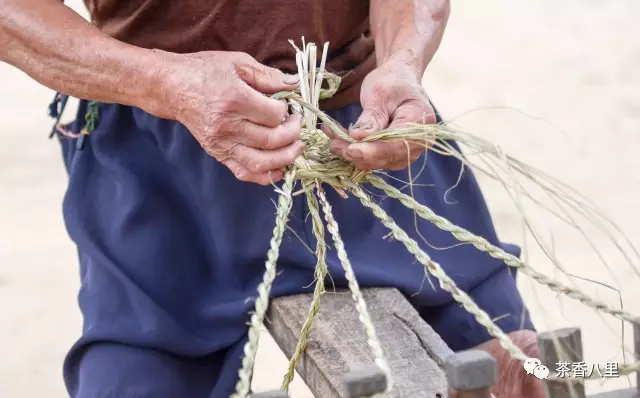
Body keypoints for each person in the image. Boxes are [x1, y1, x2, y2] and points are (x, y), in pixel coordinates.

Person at [0, 0, 545, 397]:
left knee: (533, 369)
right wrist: (162, 82)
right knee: (132, 383)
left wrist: (401, 63)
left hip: (363, 143)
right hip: (160, 170)